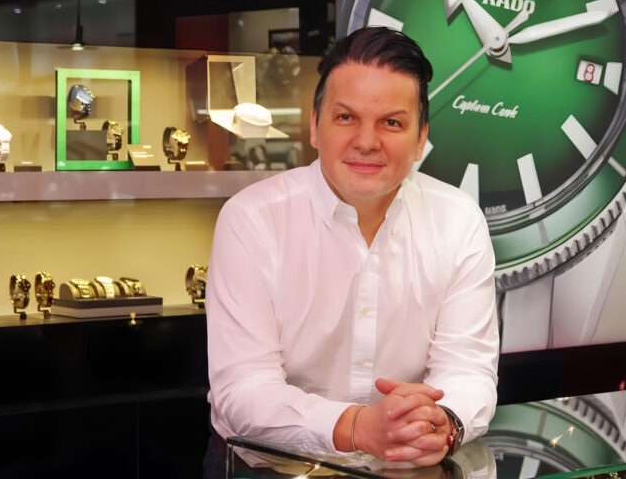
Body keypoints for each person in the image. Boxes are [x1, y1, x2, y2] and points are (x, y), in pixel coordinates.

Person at [206, 26, 500, 467]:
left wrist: (444, 423)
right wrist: (357, 427)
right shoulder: (251, 219)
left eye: (392, 123)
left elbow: (468, 369)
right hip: (268, 468)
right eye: (346, 118)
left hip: (405, 467)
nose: (366, 141)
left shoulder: (458, 220)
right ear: (314, 126)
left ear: (421, 138)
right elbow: (244, 389)